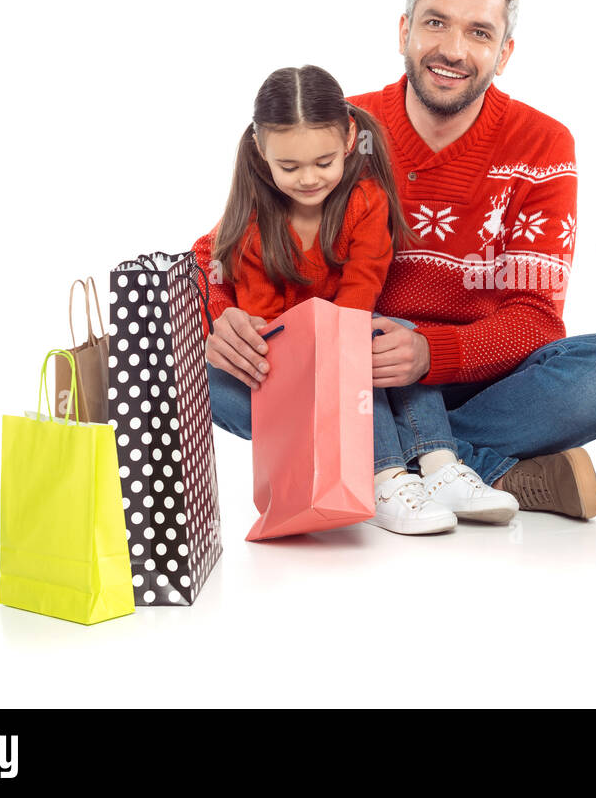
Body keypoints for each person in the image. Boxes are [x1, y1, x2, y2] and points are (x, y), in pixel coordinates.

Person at [202, 0, 596, 521]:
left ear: (504, 53)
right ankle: (481, 470)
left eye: (479, 32)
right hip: (348, 380)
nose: (454, 49)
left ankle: (386, 464)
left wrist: (431, 354)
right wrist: (221, 316)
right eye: (436, 22)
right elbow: (224, 247)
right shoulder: (340, 132)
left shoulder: (542, 144)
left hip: (484, 382)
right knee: (206, 371)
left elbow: (536, 316)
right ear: (405, 31)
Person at [193, 65, 519, 535]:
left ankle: (441, 465)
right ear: (262, 152)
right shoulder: (250, 220)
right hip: (283, 357)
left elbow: (361, 292)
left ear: (349, 139)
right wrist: (272, 339)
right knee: (222, 374)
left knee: (394, 335)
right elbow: (254, 310)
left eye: (323, 162)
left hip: (345, 334)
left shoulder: (366, 202)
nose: (308, 179)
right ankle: (385, 477)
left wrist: (342, 348)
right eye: (289, 167)